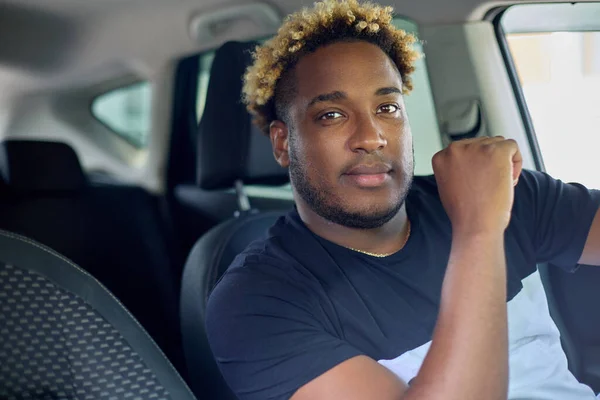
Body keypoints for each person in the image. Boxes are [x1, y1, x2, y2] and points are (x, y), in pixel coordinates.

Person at [205, 1, 600, 399]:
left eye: (387, 107)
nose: (371, 136)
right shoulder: (256, 304)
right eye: (331, 115)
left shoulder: (508, 195)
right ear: (282, 142)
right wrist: (479, 228)